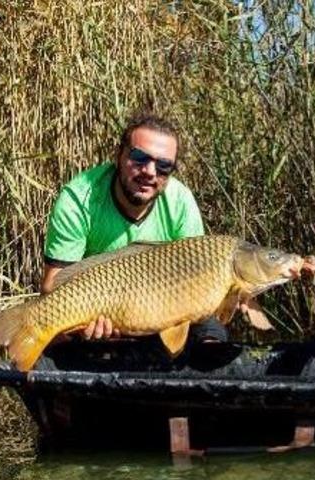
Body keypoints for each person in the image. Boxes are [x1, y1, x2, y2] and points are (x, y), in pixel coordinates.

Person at [40, 111, 227, 343]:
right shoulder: (79, 198)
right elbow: (52, 286)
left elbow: (198, 277)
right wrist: (85, 322)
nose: (150, 171)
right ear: (118, 155)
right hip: (101, 310)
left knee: (212, 335)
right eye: (139, 157)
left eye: (164, 166)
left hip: (164, 304)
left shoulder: (181, 201)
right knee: (58, 335)